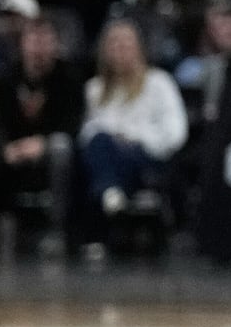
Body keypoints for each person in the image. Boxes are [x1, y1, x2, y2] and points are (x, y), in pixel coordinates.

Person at [0, 17, 82, 252]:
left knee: (61, 146)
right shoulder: (5, 78)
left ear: (55, 45)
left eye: (45, 41)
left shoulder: (69, 78)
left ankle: (57, 230)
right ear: (22, 44)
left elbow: (73, 123)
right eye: (33, 40)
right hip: (9, 151)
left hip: (48, 148)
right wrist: (6, 147)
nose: (39, 48)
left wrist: (41, 142)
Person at [79, 18, 187, 221]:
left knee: (105, 150)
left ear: (139, 48)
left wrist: (134, 139)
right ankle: (112, 195)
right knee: (99, 142)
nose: (120, 50)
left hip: (147, 154)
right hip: (106, 151)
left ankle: (108, 194)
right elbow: (86, 132)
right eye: (114, 44)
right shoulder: (94, 89)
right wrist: (114, 138)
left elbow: (176, 132)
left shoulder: (159, 83)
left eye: (126, 44)